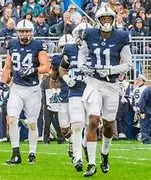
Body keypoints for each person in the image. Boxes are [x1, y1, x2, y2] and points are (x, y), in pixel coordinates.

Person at [78, 7, 132, 177]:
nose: (107, 21)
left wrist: (110, 70)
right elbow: (82, 54)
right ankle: (92, 164)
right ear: (98, 20)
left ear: (113, 19)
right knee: (93, 121)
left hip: (112, 85)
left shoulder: (121, 37)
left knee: (108, 125)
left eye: (109, 18)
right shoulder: (90, 34)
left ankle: (105, 153)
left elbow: (128, 64)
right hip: (94, 82)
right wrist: (82, 65)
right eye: (104, 18)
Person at [0, 19, 50, 164]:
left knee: (32, 123)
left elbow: (46, 67)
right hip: (17, 88)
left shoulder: (38, 45)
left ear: (32, 32)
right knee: (12, 119)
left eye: (26, 31)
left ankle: (32, 152)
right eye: (21, 31)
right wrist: (2, 85)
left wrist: (33, 69)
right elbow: (8, 67)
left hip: (33, 89)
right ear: (17, 32)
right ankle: (15, 153)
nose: (24, 34)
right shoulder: (12, 44)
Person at [59, 24, 90, 172]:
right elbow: (62, 69)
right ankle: (77, 158)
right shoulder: (70, 49)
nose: (82, 36)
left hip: (92, 91)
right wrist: (66, 79)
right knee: (77, 124)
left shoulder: (96, 49)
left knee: (91, 126)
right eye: (80, 33)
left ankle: (84, 147)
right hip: (75, 90)